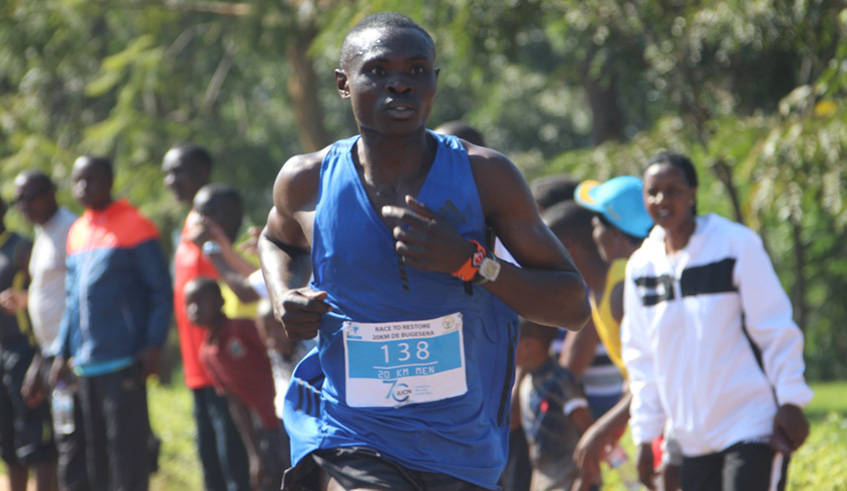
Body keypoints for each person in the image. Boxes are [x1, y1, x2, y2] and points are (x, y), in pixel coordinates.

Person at [258, 12, 589, 491]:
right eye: (378, 70)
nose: (400, 85)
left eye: (416, 71)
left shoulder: (486, 176)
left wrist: (473, 263)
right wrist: (282, 295)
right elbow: (275, 240)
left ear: (434, 83)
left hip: (460, 440)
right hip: (354, 429)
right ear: (343, 83)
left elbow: (573, 305)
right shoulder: (307, 180)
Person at [621, 151, 812, 490]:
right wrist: (646, 436)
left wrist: (791, 398)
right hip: (693, 437)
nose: (662, 199)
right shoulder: (641, 267)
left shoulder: (734, 245)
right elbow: (642, 359)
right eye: (653, 191)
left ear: (693, 193)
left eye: (673, 190)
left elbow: (773, 328)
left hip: (751, 422)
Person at [51, 155, 172, 491]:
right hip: (85, 365)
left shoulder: (135, 224)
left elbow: (161, 290)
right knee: (97, 453)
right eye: (77, 180)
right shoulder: (77, 231)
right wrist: (62, 352)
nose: (82, 187)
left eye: (91, 179)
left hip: (124, 361)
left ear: (109, 181)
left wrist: (153, 343)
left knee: (127, 451)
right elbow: (72, 299)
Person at [162, 144, 252, 491]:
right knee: (211, 466)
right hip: (196, 367)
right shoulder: (186, 228)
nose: (171, 181)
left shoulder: (215, 223)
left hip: (226, 367)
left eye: (179, 172)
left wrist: (214, 244)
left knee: (236, 467)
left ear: (203, 172)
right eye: (167, 174)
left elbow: (244, 283)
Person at [7, 171, 89, 491]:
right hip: (51, 354)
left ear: (52, 193)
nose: (24, 205)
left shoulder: (70, 229)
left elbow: (78, 297)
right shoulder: (42, 234)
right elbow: (51, 295)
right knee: (63, 438)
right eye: (19, 200)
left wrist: (61, 353)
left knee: (77, 442)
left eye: (31, 196)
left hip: (73, 356)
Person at [186, 278, 285, 491]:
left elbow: (277, 361)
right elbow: (235, 402)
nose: (194, 309)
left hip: (286, 419)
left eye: (200, 301)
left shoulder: (243, 328)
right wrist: (254, 454)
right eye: (189, 304)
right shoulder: (207, 353)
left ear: (220, 300)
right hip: (267, 433)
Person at [0, 196, 58, 491]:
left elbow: (48, 290)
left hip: (25, 351)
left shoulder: (20, 247)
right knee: (8, 440)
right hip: (1, 354)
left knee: (37, 437)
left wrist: (24, 300)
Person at [516, 318, 593, 491]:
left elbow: (588, 432)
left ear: (529, 345)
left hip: (570, 481)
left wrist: (584, 480)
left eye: (512, 341)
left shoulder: (560, 382)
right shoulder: (527, 383)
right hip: (545, 482)